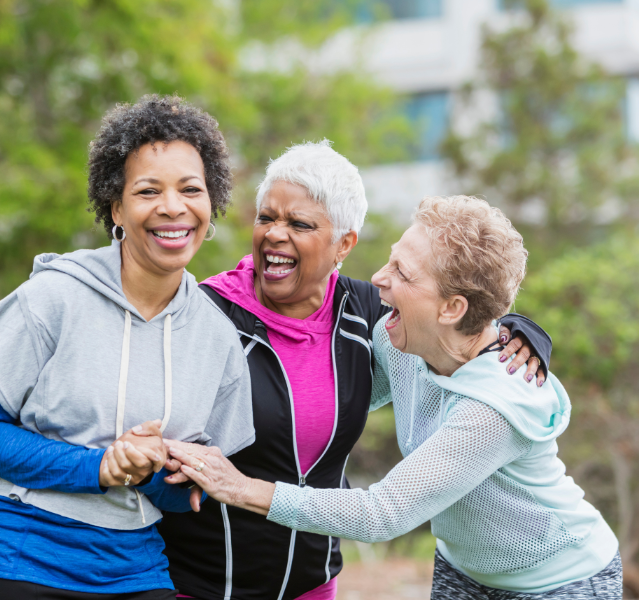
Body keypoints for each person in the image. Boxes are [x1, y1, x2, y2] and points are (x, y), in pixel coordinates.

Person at [168, 195, 621, 600]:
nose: (378, 280)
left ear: (452, 309)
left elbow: (382, 514)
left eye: (402, 273)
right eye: (391, 260)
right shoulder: (405, 340)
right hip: (463, 570)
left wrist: (240, 487)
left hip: (562, 580)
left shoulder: (494, 406)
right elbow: (336, 388)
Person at [0, 94, 255, 599]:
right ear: (116, 207)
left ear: (211, 203)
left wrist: (152, 469)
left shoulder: (217, 338)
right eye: (148, 191)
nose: (172, 207)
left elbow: (189, 497)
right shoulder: (53, 297)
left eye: (190, 189)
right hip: (20, 557)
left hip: (133, 568)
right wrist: (99, 467)